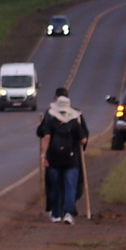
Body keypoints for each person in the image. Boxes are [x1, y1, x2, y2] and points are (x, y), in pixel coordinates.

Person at [35, 86, 88, 222]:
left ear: (55, 99)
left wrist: (43, 156)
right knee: (71, 185)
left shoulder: (49, 116)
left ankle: (55, 212)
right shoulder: (76, 116)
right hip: (72, 158)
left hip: (53, 157)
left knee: (55, 185)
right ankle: (69, 213)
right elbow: (84, 137)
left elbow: (41, 134)